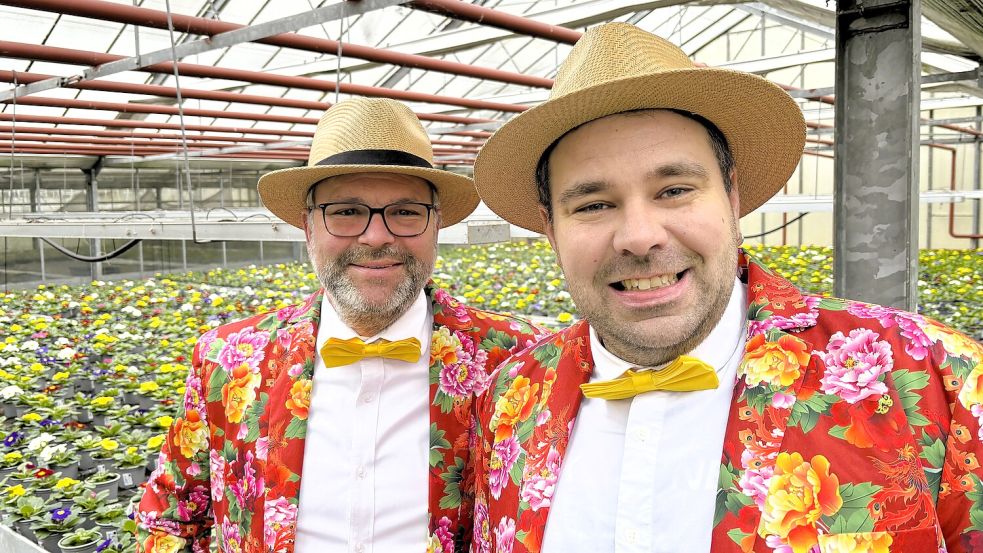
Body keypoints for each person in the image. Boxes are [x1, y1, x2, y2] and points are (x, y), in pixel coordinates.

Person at [467, 22, 983, 553]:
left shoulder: (931, 378)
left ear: (732, 197)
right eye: (593, 205)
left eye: (674, 190)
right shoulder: (510, 398)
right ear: (551, 229)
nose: (640, 237)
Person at [134, 97, 545, 553]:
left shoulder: (517, 363)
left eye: (406, 211)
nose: (376, 236)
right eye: (346, 211)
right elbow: (169, 520)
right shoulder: (229, 361)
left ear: (436, 225)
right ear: (308, 228)